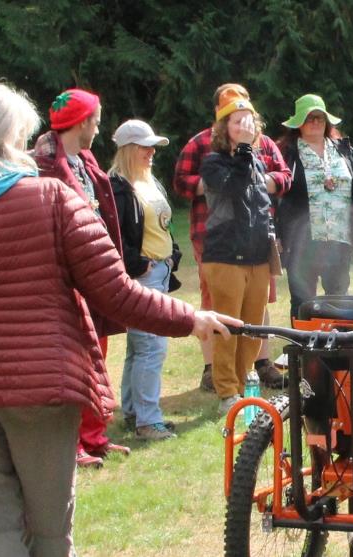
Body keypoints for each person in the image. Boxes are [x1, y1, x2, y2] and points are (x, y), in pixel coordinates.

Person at [0, 83, 235, 557]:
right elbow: (117, 292)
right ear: (14, 137)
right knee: (48, 531)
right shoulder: (54, 199)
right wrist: (191, 318)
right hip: (40, 385)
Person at [27, 88, 128, 468]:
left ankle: (93, 435)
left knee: (95, 358)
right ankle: (69, 444)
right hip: (64, 277)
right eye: (96, 120)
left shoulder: (84, 159)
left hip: (94, 273)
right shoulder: (44, 165)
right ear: (82, 122)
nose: (98, 128)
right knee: (71, 362)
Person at [172, 83, 291, 391]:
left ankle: (252, 369)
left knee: (256, 309)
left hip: (256, 242)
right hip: (215, 240)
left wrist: (264, 181)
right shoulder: (204, 145)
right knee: (221, 308)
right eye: (234, 115)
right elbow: (183, 182)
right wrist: (208, 185)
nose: (243, 121)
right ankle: (218, 374)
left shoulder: (262, 146)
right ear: (221, 117)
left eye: (246, 110)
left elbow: (284, 177)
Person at [201, 92, 281, 413]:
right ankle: (226, 392)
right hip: (224, 256)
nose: (244, 126)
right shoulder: (213, 162)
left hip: (257, 255)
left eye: (248, 120)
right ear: (224, 127)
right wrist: (247, 148)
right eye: (237, 121)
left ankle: (242, 383)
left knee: (252, 329)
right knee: (228, 328)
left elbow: (261, 203)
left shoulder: (257, 160)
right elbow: (235, 185)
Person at [107, 119, 182, 441]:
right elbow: (114, 234)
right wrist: (136, 266)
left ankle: (135, 413)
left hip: (161, 273)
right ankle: (148, 422)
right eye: (144, 146)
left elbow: (162, 225)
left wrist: (173, 254)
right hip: (144, 277)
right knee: (151, 348)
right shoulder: (117, 187)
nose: (152, 152)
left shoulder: (150, 182)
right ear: (127, 150)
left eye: (153, 146)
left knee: (140, 348)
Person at [277, 94, 353, 316]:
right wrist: (277, 235)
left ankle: (339, 348)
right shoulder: (286, 153)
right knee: (303, 302)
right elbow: (276, 197)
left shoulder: (344, 150)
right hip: (301, 242)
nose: (316, 122)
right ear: (298, 124)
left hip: (340, 240)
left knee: (340, 300)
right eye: (309, 117)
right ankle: (305, 349)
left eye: (320, 117)